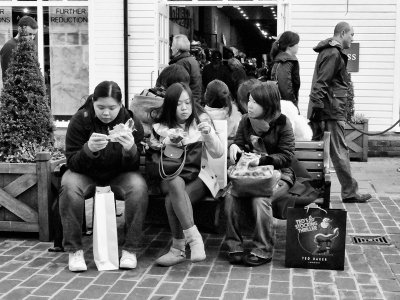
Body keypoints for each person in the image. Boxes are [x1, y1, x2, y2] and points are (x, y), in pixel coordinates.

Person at [59, 81, 148, 272]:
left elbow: (135, 166)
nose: (106, 113)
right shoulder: (80, 120)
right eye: (100, 107)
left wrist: (130, 149)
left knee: (138, 186)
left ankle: (130, 249)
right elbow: (72, 162)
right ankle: (74, 250)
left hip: (118, 175)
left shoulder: (131, 122)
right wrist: (88, 150)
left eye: (112, 108)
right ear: (93, 103)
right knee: (69, 185)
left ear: (121, 105)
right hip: (86, 175)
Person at [150, 82, 223, 266]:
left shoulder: (201, 121)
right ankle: (195, 241)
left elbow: (218, 152)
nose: (184, 108)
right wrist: (167, 141)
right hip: (171, 176)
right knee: (174, 184)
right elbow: (154, 153)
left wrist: (208, 135)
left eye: (188, 103)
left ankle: (178, 249)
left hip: (199, 177)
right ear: (170, 105)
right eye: (178, 104)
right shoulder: (160, 127)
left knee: (171, 197)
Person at [225, 82, 295, 266]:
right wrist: (234, 146)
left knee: (260, 199)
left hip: (278, 174)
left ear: (268, 104)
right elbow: (239, 142)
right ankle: (235, 246)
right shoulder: (246, 120)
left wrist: (263, 160)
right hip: (248, 175)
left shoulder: (282, 123)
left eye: (255, 102)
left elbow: (286, 157)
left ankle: (263, 249)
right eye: (249, 100)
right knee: (230, 198)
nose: (250, 105)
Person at [307, 21, 371, 203]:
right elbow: (322, 82)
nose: (352, 39)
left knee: (319, 152)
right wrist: (319, 109)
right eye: (351, 35)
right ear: (342, 33)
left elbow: (322, 82)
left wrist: (316, 109)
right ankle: (350, 192)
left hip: (325, 109)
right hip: (330, 111)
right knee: (339, 151)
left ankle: (311, 191)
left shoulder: (329, 52)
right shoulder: (333, 53)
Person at [1, 16, 38, 82]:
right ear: (19, 29)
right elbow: (7, 76)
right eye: (29, 34)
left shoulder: (30, 46)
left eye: (34, 35)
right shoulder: (9, 46)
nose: (32, 38)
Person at [270, 31, 301, 108]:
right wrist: (293, 105)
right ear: (290, 46)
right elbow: (285, 89)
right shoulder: (285, 62)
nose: (298, 46)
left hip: (282, 104)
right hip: (286, 106)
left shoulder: (284, 60)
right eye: (297, 43)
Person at [169, 34, 202, 104]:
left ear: (177, 48)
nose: (171, 48)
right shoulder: (192, 60)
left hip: (187, 103)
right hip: (194, 100)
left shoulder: (181, 63)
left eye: (172, 45)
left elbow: (178, 88)